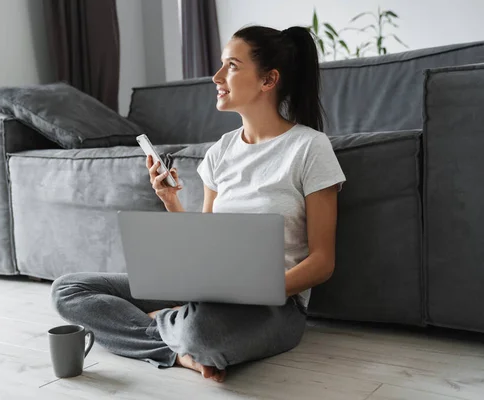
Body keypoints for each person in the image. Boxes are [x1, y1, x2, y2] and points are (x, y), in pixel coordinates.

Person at [51, 25, 346, 383]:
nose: (217, 76)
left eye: (232, 66)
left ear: (269, 80)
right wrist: (170, 200)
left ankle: (172, 326)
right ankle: (176, 346)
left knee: (203, 333)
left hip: (276, 306)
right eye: (221, 64)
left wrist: (253, 291)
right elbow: (205, 244)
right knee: (69, 289)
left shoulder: (310, 148)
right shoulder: (220, 151)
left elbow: (321, 263)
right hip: (210, 293)